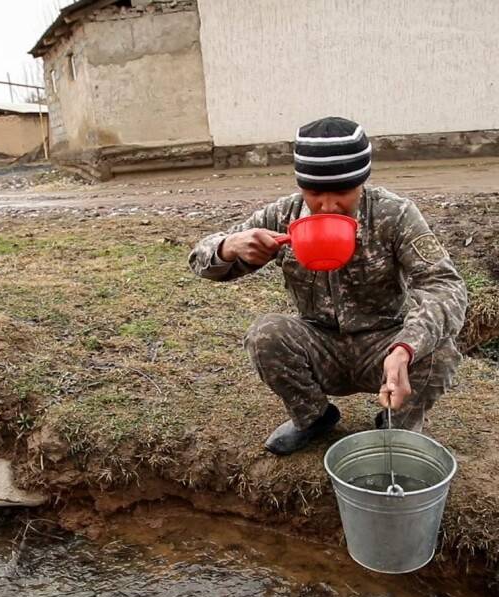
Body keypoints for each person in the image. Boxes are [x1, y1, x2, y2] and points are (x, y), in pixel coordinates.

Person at [189, 117, 468, 455]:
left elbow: (444, 285)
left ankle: (398, 426)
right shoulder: (284, 216)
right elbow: (200, 262)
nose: (328, 205)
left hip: (384, 345)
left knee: (438, 349)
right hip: (317, 344)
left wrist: (405, 347)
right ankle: (314, 417)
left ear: (361, 182)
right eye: (315, 192)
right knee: (267, 334)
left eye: (342, 192)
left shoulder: (394, 215)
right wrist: (229, 246)